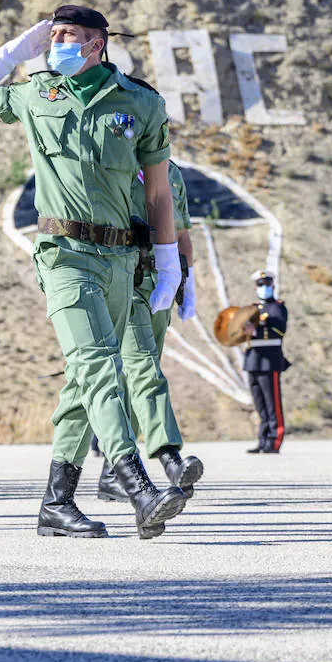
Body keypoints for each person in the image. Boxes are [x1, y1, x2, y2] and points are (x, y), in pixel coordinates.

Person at [0, 5, 189, 540]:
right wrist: (12, 53)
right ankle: (137, 485)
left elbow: (158, 190)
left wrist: (168, 260)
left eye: (68, 35)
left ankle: (57, 502)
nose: (57, 43)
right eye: (52, 35)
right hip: (63, 252)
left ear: (98, 43)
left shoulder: (140, 102)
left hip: (123, 257)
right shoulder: (37, 92)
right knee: (99, 364)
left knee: (84, 382)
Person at [100, 160, 204, 501]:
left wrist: (187, 282)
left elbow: (181, 231)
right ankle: (168, 455)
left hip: (161, 283)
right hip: (125, 278)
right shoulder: (116, 159)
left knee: (137, 374)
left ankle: (114, 472)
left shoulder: (169, 172)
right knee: (144, 367)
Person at [244, 270, 290, 454]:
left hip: (270, 362)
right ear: (256, 287)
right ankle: (263, 440)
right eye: (261, 284)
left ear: (273, 285)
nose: (264, 287)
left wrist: (255, 329)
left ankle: (275, 440)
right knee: (260, 404)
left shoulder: (278, 308)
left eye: (267, 284)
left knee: (273, 404)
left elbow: (280, 331)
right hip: (253, 361)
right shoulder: (252, 308)